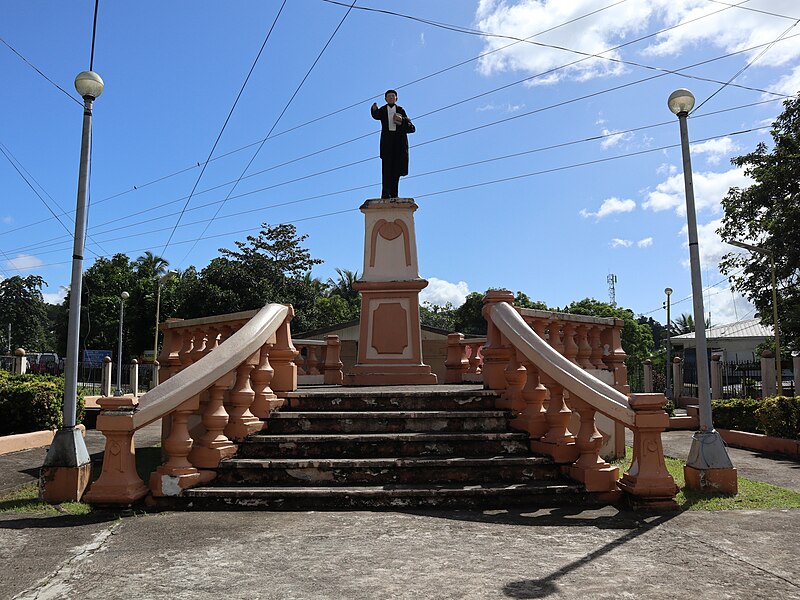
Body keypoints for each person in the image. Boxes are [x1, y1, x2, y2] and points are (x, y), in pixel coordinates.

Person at [371, 89, 415, 199]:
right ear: (385, 99)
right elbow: (376, 115)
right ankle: (385, 193)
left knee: (396, 169)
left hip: (398, 142)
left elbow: (411, 127)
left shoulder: (400, 110)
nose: (391, 98)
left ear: (396, 98)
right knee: (386, 169)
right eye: (389, 96)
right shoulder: (383, 110)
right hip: (387, 143)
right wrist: (373, 109)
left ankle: (394, 194)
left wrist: (402, 120)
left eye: (393, 96)